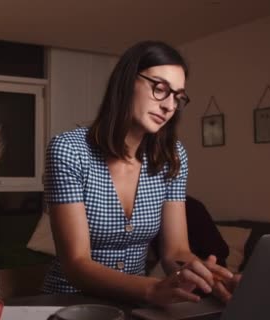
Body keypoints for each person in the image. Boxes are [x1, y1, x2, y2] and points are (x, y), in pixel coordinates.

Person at [42, 40, 240, 307]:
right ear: (126, 82)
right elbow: (76, 264)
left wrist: (209, 277)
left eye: (178, 97)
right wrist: (151, 290)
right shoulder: (68, 150)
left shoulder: (172, 156)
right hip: (70, 305)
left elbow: (175, 251)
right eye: (160, 89)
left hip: (135, 306)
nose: (169, 106)